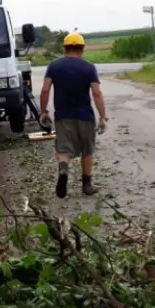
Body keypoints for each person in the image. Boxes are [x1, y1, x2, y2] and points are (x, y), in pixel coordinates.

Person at [39, 33, 108, 198]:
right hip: (85, 116)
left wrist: (43, 112)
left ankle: (63, 169)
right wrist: (103, 117)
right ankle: (87, 185)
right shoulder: (89, 67)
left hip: (63, 115)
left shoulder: (54, 66)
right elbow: (97, 93)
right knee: (87, 149)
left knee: (63, 148)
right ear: (82, 49)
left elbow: (45, 89)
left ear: (65, 48)